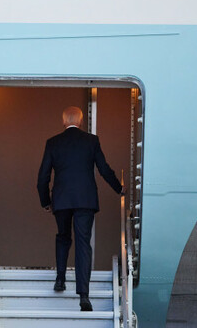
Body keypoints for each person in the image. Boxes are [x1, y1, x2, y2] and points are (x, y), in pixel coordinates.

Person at [37, 106, 125, 312]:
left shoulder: (53, 142)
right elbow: (103, 169)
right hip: (85, 199)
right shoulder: (91, 141)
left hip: (62, 199)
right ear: (81, 121)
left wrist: (45, 201)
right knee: (83, 242)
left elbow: (42, 177)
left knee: (63, 236)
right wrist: (119, 188)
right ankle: (84, 296)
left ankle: (60, 279)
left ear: (63, 121)